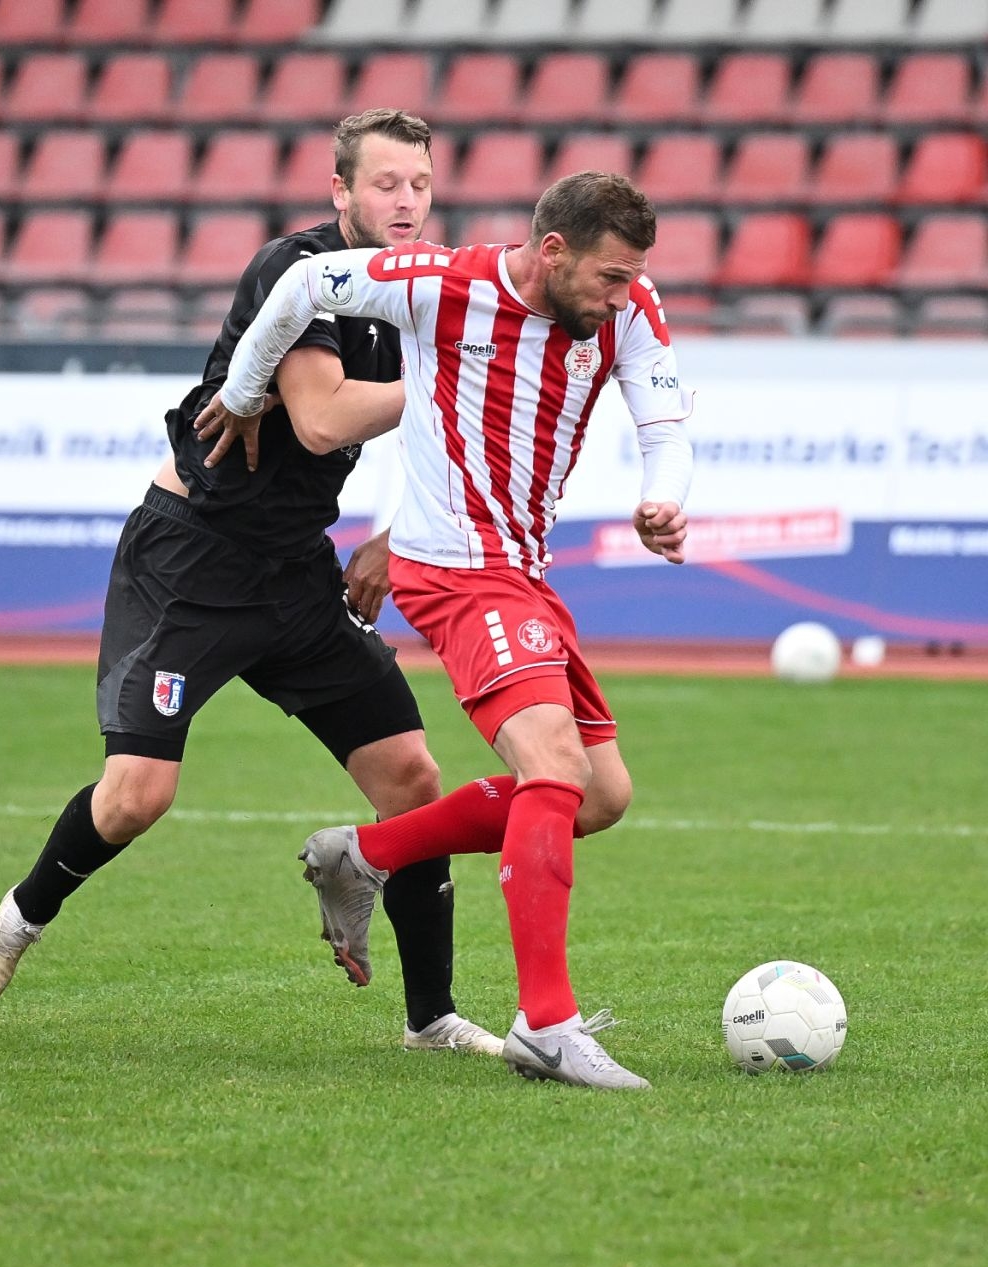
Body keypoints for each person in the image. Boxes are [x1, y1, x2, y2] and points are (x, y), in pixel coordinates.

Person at [0, 110, 503, 1059]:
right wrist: (455, 379)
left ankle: (431, 1019)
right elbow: (325, 417)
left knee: (413, 778)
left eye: (419, 184)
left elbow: (449, 445)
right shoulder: (296, 270)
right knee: (136, 796)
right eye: (385, 183)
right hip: (193, 561)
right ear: (341, 191)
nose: (406, 201)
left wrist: (392, 536)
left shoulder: (424, 290)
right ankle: (22, 915)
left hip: (295, 570)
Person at [196, 171, 694, 1090]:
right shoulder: (441, 283)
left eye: (631, 278)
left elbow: (664, 422)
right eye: (610, 277)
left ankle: (368, 853)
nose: (623, 295)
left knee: (600, 795)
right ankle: (547, 1024)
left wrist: (664, 497)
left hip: (523, 570)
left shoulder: (628, 307)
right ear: (553, 252)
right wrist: (245, 386)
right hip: (455, 569)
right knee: (554, 766)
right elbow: (302, 283)